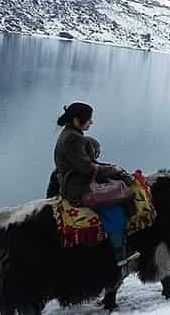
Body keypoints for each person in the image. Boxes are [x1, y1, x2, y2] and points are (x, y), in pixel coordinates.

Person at [54, 102, 140, 267]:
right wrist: (113, 170)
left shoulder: (71, 134)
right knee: (111, 209)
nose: (91, 122)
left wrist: (111, 169)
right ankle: (120, 252)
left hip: (77, 182)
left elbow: (88, 163)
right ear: (77, 120)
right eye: (88, 119)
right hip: (78, 187)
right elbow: (86, 167)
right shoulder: (73, 138)